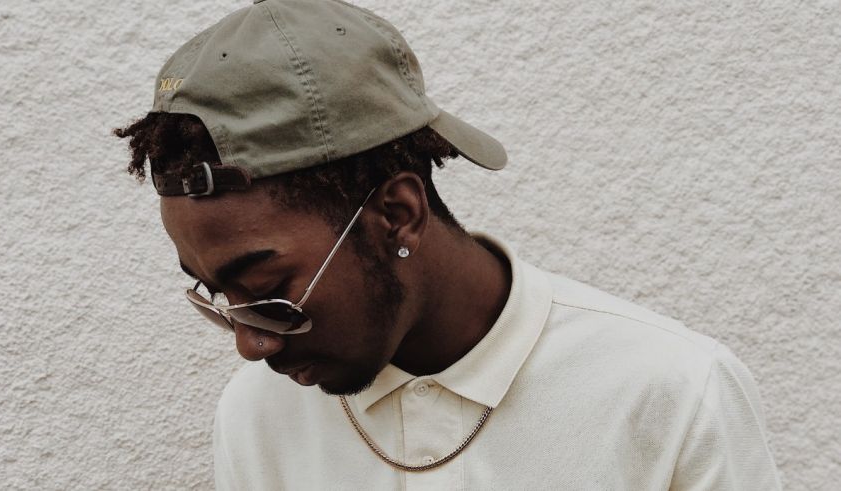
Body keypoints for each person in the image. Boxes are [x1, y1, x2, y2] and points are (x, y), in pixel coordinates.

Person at [115, 0, 782, 489]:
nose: (250, 343)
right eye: (217, 297)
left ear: (396, 213)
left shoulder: (673, 392)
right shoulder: (258, 415)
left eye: (265, 291)